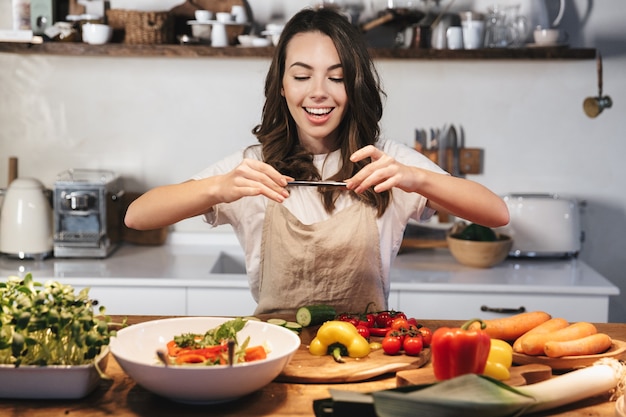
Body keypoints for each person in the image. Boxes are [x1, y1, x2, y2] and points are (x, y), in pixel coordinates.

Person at [125, 7, 510, 315]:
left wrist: (417, 178)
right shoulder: (253, 168)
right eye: (302, 76)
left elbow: (495, 214)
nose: (318, 93)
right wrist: (217, 187)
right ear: (282, 84)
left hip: (367, 357)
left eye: (336, 77)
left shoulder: (386, 162)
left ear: (354, 84)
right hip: (275, 359)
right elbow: (137, 217)